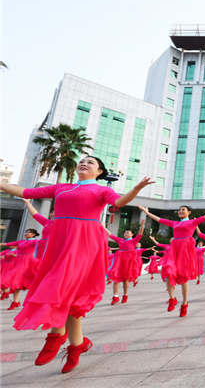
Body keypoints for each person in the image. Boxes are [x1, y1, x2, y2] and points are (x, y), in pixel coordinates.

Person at [1, 156, 153, 373]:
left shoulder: (101, 191)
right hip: (60, 242)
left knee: (61, 284)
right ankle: (77, 345)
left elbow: (118, 203)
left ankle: (55, 336)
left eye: (90, 162)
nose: (84, 163)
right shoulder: (61, 188)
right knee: (70, 297)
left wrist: (136, 189)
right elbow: (25, 193)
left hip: (85, 241)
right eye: (82, 161)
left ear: (99, 172)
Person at [138, 197, 205, 316]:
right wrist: (147, 213)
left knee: (183, 278)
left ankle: (184, 304)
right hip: (174, 249)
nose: (180, 211)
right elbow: (159, 219)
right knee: (167, 271)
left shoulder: (192, 222)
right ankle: (172, 299)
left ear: (189, 212)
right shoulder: (174, 223)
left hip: (186, 251)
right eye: (179, 210)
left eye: (183, 210)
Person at [105, 220, 145, 304]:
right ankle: (115, 296)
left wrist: (142, 224)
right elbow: (111, 235)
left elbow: (140, 233)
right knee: (116, 278)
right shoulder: (120, 240)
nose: (125, 234)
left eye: (128, 233)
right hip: (119, 262)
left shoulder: (134, 241)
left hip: (128, 262)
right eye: (125, 233)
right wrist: (103, 227)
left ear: (132, 234)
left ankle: (125, 295)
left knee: (126, 280)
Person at [0, 229, 40, 310]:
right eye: (26, 232)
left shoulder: (35, 241)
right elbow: (6, 244)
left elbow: (43, 245)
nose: (26, 233)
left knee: (31, 282)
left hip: (28, 262)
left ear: (33, 234)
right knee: (16, 282)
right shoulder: (21, 241)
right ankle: (15, 302)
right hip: (18, 262)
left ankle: (35, 302)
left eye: (28, 232)